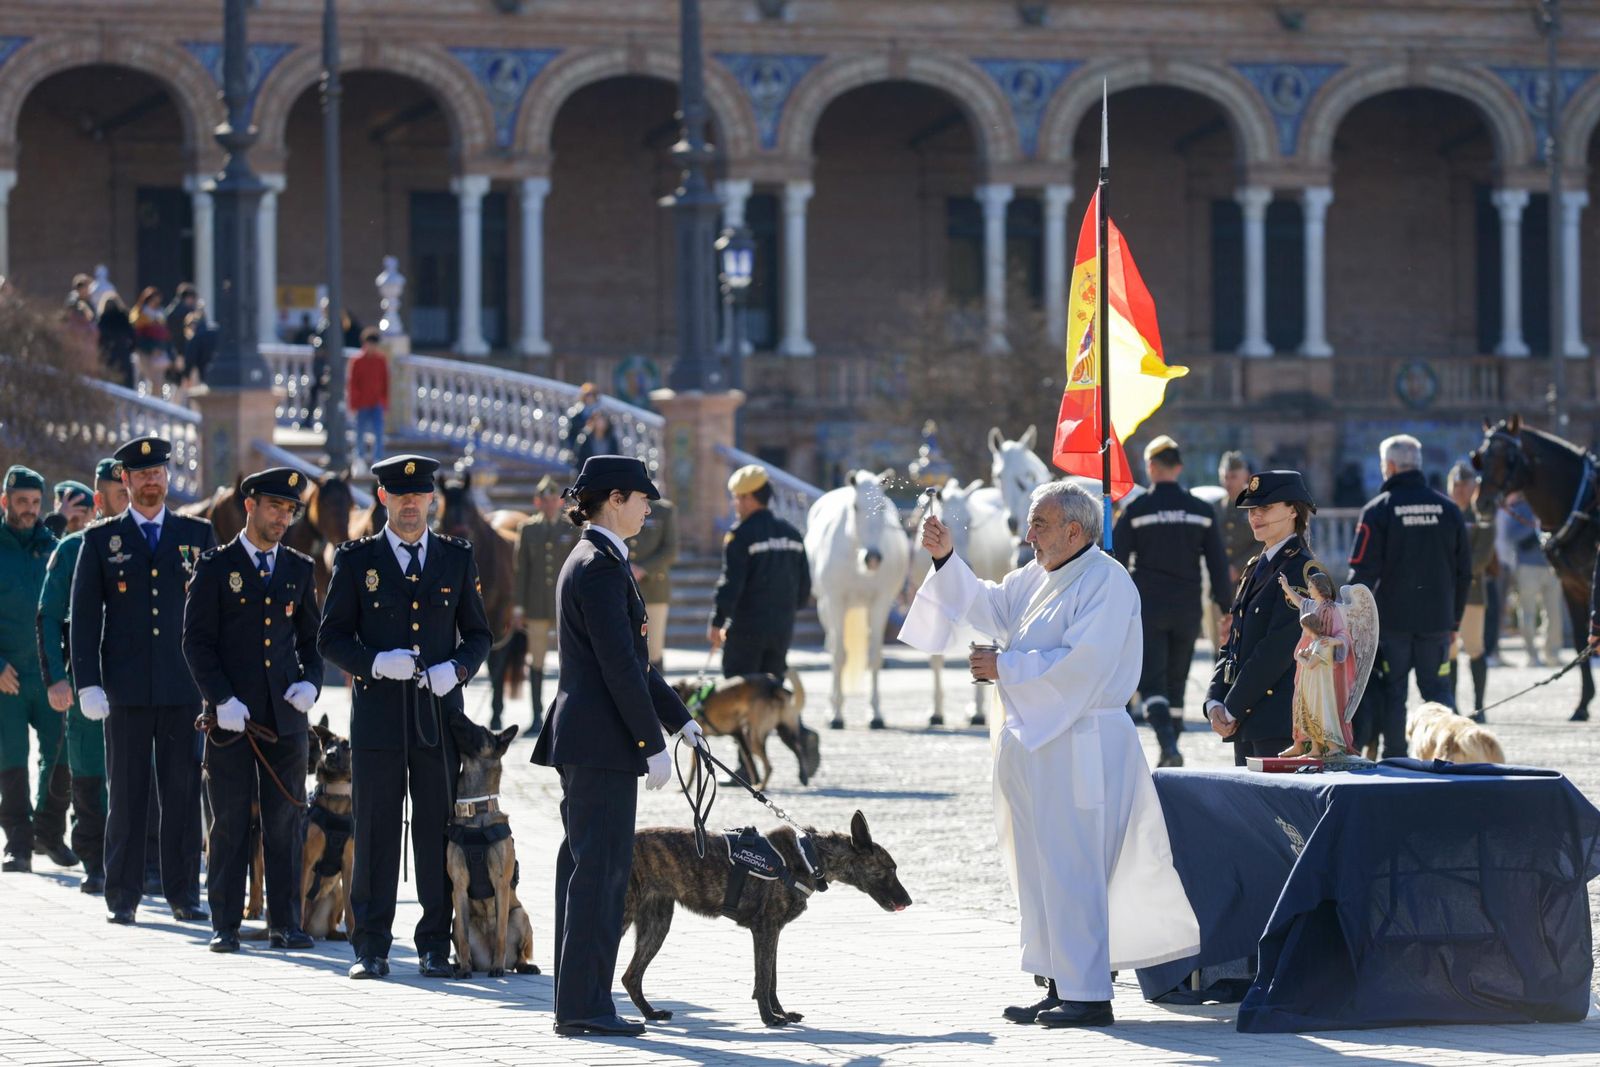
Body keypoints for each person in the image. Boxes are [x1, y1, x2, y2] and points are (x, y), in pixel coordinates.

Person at [899, 480, 1198, 1028]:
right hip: (1035, 741)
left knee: (1076, 866)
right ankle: (1058, 981)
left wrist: (1006, 669)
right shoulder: (1033, 577)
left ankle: (1089, 995)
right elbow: (988, 606)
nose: (1028, 533)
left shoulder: (1108, 583)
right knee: (1037, 866)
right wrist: (945, 558)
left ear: (1074, 530)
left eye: (1039, 524)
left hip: (1083, 742)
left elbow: (1084, 663)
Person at [530, 455, 701, 1037]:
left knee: (594, 873)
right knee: (600, 876)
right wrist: (650, 742)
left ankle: (579, 1000)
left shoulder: (600, 559)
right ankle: (583, 1008)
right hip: (600, 741)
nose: (649, 507)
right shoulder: (600, 566)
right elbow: (618, 666)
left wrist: (679, 721)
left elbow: (636, 663)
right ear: (615, 499)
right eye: (642, 498)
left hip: (594, 738)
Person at [317, 454, 492, 980]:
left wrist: (457, 670)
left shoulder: (456, 559)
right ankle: (371, 945)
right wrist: (374, 662)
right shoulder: (356, 561)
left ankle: (435, 942)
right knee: (374, 830)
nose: (410, 505)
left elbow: (480, 634)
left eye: (419, 496)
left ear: (432, 500)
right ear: (383, 500)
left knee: (438, 829)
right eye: (400, 496)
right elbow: (330, 638)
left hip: (437, 716)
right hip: (377, 719)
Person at [70, 436, 216, 923]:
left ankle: (183, 894)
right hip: (126, 690)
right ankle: (123, 896)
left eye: (158, 473)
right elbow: (85, 617)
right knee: (127, 795)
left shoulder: (197, 536)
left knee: (182, 794)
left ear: (167, 479)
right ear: (125, 482)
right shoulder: (100, 541)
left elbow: (216, 619)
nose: (151, 481)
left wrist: (221, 686)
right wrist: (87, 682)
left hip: (183, 688)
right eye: (141, 475)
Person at [183, 468, 324, 954]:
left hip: (285, 718)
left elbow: (312, 640)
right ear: (250, 506)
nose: (283, 518)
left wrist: (311, 683)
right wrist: (220, 699)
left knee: (285, 822)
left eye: (289, 510)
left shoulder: (299, 568)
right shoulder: (215, 567)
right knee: (228, 822)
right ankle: (226, 921)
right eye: (274, 508)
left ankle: (285, 922)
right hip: (231, 721)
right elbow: (196, 644)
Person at [1112, 436, 1232, 767]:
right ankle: (1171, 746)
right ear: (1179, 467)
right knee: (1177, 679)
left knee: (1151, 679)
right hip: (1187, 608)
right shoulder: (1201, 511)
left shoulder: (1136, 511)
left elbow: (1116, 562)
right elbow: (1218, 566)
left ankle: (1167, 743)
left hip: (1148, 607)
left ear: (1151, 467)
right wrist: (1228, 610)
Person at [1349, 435, 1471, 757]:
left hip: (1392, 626)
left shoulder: (1378, 511)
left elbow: (1361, 576)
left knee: (1393, 693)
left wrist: (1351, 619)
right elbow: (1464, 572)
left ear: (1389, 466)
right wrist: (1453, 619)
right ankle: (1452, 757)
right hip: (1437, 625)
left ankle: (1395, 758)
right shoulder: (1449, 510)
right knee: (1439, 693)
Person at [36, 458, 126, 894]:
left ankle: (141, 862)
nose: (126, 499)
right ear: (99, 498)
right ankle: (95, 861)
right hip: (86, 681)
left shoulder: (157, 546)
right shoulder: (73, 550)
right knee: (89, 775)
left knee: (138, 775)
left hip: (137, 686)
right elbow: (49, 615)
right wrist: (55, 677)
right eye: (117, 491)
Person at [1206, 470, 1329, 764]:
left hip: (1283, 726)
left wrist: (1232, 706)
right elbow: (1233, 642)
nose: (1255, 516)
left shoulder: (1303, 572)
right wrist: (1214, 700)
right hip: (1248, 722)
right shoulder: (1255, 568)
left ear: (1293, 511)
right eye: (1252, 509)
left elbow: (1277, 650)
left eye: (1266, 508)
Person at [0, 466, 72, 874]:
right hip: (6, 677)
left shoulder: (52, 547)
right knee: (11, 759)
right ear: (5, 500)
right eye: (21, 501)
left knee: (59, 755)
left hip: (49, 676)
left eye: (34, 503)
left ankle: (48, 830)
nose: (29, 510)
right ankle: (18, 843)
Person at [710, 465, 811, 678]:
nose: (734, 504)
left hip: (746, 631)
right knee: (770, 693)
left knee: (738, 693)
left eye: (737, 498)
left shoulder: (741, 535)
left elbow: (731, 583)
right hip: (782, 628)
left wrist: (718, 620)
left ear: (749, 498)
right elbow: (804, 588)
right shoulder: (792, 534)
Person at [513, 475, 578, 731]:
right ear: (537, 502)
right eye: (545, 500)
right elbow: (521, 571)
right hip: (537, 604)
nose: (550, 504)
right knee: (537, 661)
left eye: (554, 500)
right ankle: (538, 715)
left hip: (565, 604)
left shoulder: (569, 527)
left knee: (571, 660)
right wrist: (519, 607)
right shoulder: (528, 529)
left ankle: (569, 715)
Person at [1447, 463, 1495, 720]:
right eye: (1456, 486)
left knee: (1475, 647)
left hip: (1473, 593)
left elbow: (1482, 557)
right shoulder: (1445, 513)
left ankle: (1479, 706)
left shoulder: (1482, 517)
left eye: (1465, 486)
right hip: (1448, 593)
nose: (1460, 491)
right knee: (1450, 651)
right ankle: (1452, 705)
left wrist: (1453, 573)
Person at [1497, 491, 1563, 668]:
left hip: (1551, 566)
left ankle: (1552, 653)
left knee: (1554, 614)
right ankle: (1532, 655)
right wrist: (1534, 525)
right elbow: (1511, 535)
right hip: (1527, 567)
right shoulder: (1520, 508)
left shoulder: (1551, 505)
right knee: (1527, 613)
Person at [626, 496, 677, 672]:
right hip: (625, 587)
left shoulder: (664, 510)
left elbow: (670, 550)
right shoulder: (623, 504)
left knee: (653, 652)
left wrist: (643, 568)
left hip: (654, 589)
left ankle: (658, 698)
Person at [347, 327, 389, 471]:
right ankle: (360, 458)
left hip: (376, 402)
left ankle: (378, 458)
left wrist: (384, 402)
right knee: (360, 432)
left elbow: (385, 382)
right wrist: (353, 404)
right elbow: (352, 383)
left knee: (379, 432)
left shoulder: (380, 360)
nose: (372, 347)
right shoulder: (357, 361)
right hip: (362, 403)